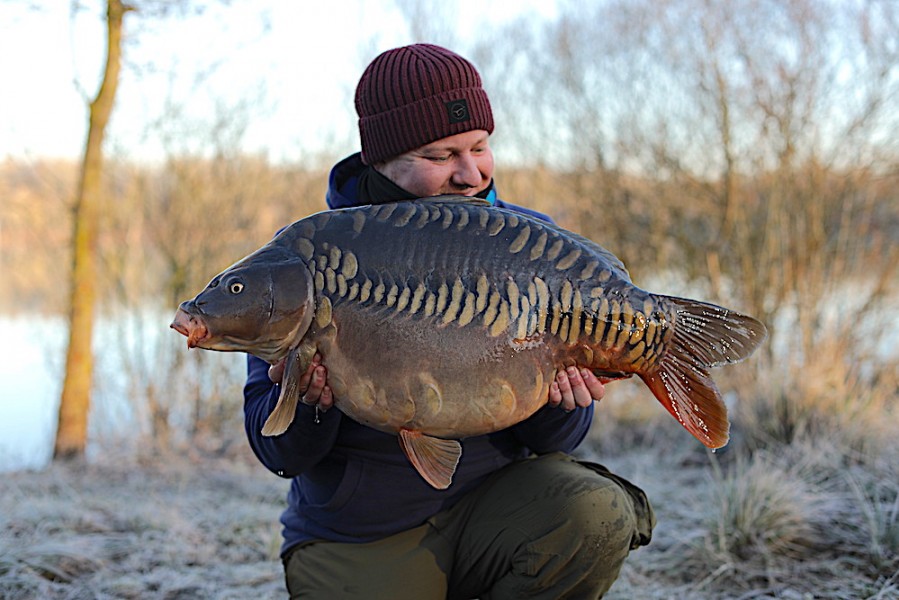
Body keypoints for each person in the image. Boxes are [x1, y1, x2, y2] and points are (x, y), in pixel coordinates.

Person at [243, 43, 654, 599]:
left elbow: (555, 443)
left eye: (480, 147)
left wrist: (563, 400)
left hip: (497, 507)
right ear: (380, 161)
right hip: (361, 534)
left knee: (594, 511)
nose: (470, 173)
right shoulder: (313, 259)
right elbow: (276, 455)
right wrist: (314, 404)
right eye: (440, 155)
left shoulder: (531, 249)